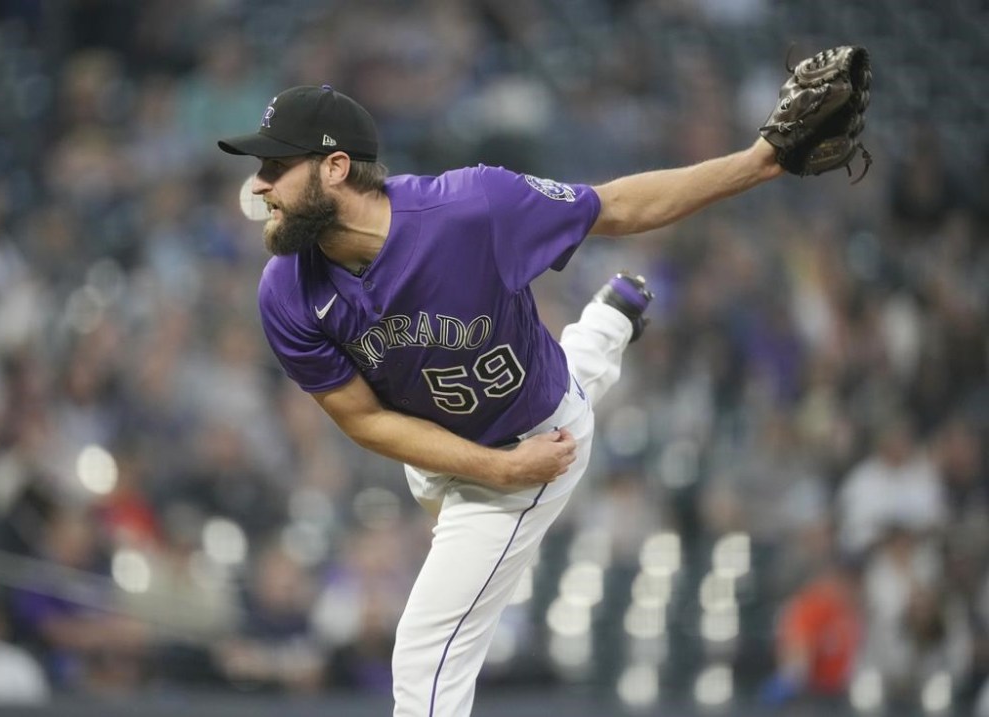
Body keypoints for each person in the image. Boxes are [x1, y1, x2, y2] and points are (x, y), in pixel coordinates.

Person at [218, 83, 782, 716]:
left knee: (426, 653)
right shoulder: (285, 292)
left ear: (336, 168)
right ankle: (608, 323)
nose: (259, 185)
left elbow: (616, 205)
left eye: (274, 166)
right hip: (443, 443)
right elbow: (365, 419)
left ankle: (601, 332)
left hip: (527, 442)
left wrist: (759, 161)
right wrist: (486, 464)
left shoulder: (472, 209)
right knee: (569, 375)